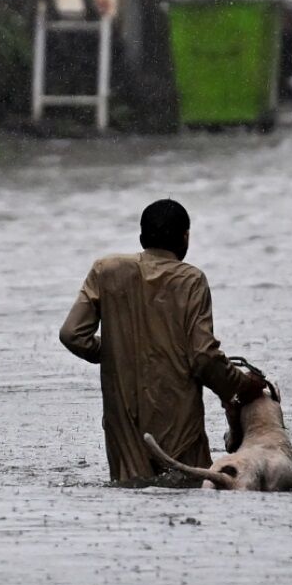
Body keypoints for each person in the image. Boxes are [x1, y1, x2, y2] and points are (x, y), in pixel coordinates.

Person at [59, 199, 266, 483]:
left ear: (142, 237)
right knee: (187, 491)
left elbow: (72, 334)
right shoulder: (191, 280)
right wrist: (243, 386)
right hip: (180, 429)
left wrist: (117, 351)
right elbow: (204, 358)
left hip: (124, 430)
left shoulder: (106, 271)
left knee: (131, 497)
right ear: (185, 237)